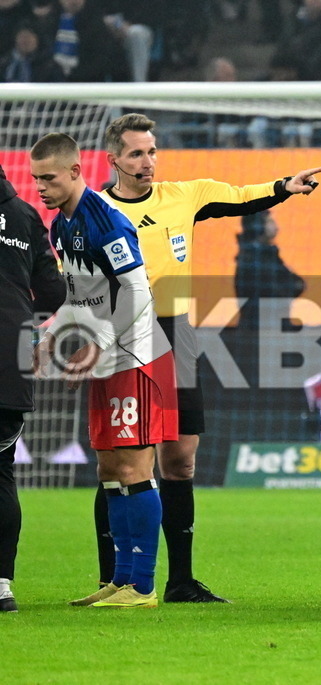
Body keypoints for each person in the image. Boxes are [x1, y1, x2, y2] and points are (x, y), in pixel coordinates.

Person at [94, 113, 321, 603]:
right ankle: (112, 578)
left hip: (177, 335)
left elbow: (241, 196)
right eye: (136, 153)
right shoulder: (93, 210)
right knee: (120, 463)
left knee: (180, 462)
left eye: (152, 150)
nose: (147, 161)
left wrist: (285, 186)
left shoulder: (184, 196)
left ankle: (180, 582)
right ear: (113, 159)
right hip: (121, 338)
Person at [30, 132, 177, 609]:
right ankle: (120, 578)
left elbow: (137, 292)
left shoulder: (105, 221)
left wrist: (105, 345)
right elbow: (77, 300)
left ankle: (144, 586)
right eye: (36, 180)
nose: (40, 188)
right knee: (110, 468)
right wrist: (49, 334)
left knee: (135, 467)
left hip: (136, 355)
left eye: (48, 178)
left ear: (75, 172)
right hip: (108, 355)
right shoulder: (59, 227)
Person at [0, 162, 65, 613]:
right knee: (2, 472)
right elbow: (55, 292)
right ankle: (1, 584)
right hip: (11, 357)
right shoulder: (25, 214)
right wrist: (21, 310)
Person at [234, 210, 306, 330]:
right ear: (258, 226)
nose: (276, 227)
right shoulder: (255, 259)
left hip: (270, 328)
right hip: (262, 331)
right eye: (270, 222)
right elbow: (289, 287)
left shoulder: (264, 255)